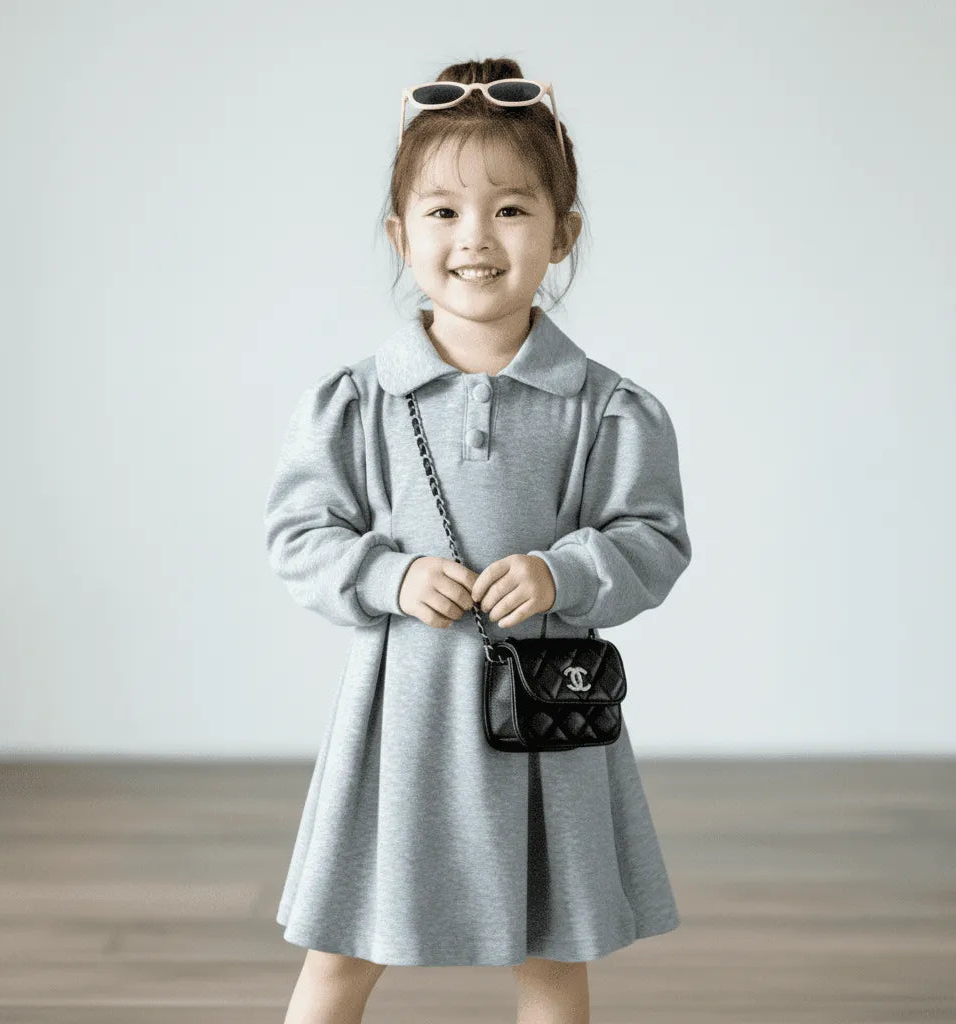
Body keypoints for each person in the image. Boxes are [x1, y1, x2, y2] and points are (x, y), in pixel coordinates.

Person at [264, 56, 693, 1024]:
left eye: (510, 209)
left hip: (544, 722)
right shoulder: (354, 401)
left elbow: (653, 539)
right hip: (401, 719)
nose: (475, 238)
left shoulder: (612, 410)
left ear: (561, 234)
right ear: (399, 233)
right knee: (343, 949)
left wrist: (561, 570)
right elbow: (298, 531)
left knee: (551, 953)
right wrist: (389, 571)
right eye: (443, 211)